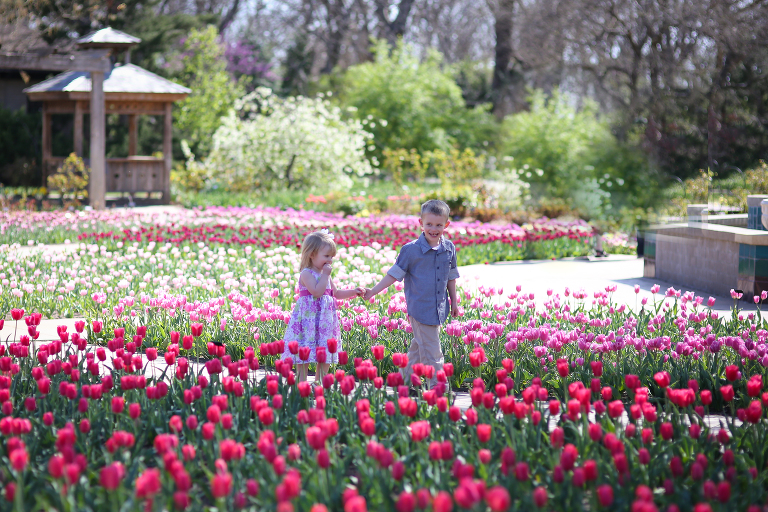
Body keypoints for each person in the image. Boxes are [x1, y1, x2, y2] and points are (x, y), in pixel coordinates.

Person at [364, 199, 460, 388]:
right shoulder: (411, 250)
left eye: (439, 225)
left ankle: (404, 381)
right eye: (429, 224)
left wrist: (454, 302)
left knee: (418, 347)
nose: (433, 229)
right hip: (420, 309)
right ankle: (439, 388)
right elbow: (394, 274)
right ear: (420, 223)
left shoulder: (449, 248)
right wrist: (373, 291)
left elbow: (451, 276)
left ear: (446, 225)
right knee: (433, 353)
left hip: (439, 308)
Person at [282, 229, 365, 382]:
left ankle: (320, 381)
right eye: (326, 256)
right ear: (312, 254)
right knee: (304, 349)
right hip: (308, 320)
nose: (330, 260)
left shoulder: (325, 274)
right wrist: (325, 275)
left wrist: (354, 291)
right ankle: (301, 382)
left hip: (324, 321)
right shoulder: (306, 273)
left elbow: (336, 294)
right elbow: (317, 292)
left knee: (325, 349)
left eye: (332, 257)